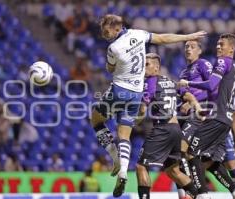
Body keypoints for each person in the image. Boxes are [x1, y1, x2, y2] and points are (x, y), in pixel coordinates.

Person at [90, 14, 207, 197]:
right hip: (141, 100)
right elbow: (162, 38)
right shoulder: (140, 35)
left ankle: (115, 157)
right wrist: (186, 37)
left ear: (117, 28)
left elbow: (110, 69)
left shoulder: (114, 47)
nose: (104, 35)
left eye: (106, 31)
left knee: (96, 119)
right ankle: (202, 194)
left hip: (123, 92)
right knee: (127, 137)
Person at [178, 33, 235, 199]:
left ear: (232, 48)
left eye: (222, 44)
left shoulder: (221, 61)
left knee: (191, 153)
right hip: (225, 120)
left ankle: (202, 194)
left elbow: (211, 85)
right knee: (210, 159)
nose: (218, 47)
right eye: (217, 44)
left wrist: (189, 84)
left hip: (216, 117)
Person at [136, 53, 202, 199]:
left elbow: (142, 109)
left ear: (156, 67)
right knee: (173, 171)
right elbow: (189, 96)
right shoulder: (171, 82)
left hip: (162, 129)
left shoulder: (150, 82)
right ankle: (199, 196)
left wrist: (135, 122)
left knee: (141, 166)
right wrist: (197, 107)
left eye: (147, 65)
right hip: (176, 130)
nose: (144, 68)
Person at [176, 40, 213, 198]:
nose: (188, 49)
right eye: (186, 47)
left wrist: (198, 105)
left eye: (192, 47)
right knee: (187, 153)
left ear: (199, 51)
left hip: (201, 112)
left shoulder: (203, 64)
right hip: (187, 114)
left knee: (180, 149)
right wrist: (185, 102)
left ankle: (188, 190)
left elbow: (213, 86)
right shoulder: (183, 73)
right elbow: (184, 93)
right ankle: (201, 193)